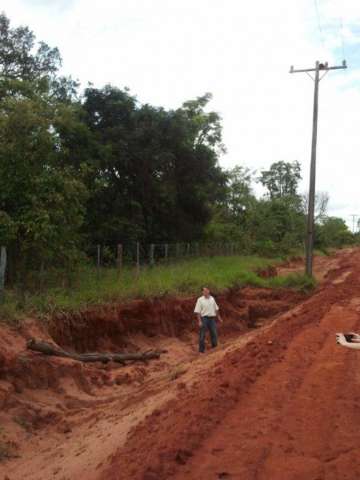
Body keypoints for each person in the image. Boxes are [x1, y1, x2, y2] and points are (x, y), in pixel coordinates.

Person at [194, 287, 223, 353]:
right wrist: (199, 321)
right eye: (204, 291)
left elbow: (216, 309)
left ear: (209, 291)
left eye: (206, 290)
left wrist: (219, 317)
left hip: (212, 318)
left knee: (214, 333)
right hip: (204, 319)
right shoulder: (200, 300)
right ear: (202, 292)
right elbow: (197, 311)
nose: (205, 292)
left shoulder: (212, 299)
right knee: (202, 334)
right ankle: (201, 351)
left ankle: (215, 348)